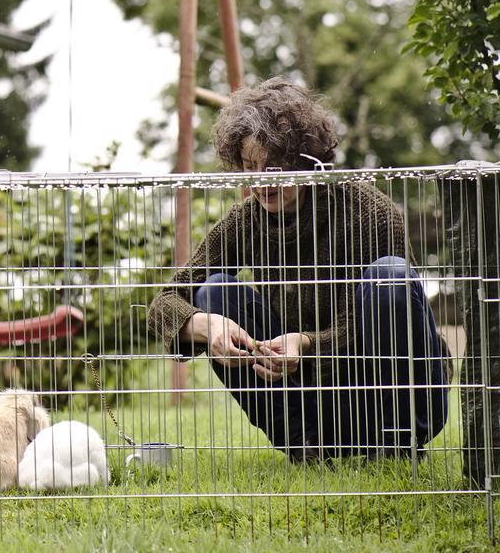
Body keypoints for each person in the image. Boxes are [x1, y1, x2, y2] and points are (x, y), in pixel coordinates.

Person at [147, 77, 451, 462]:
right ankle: (305, 447)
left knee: (389, 275)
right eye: (250, 168)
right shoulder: (245, 221)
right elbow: (165, 302)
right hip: (311, 404)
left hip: (393, 396)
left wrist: (306, 343)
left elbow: (390, 315)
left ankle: (398, 446)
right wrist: (205, 324)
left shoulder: (370, 210)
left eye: (275, 167)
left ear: (308, 158)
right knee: (215, 292)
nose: (262, 182)